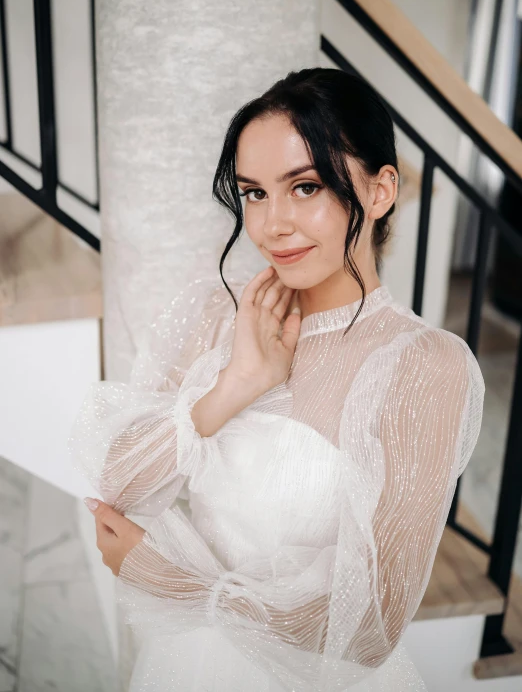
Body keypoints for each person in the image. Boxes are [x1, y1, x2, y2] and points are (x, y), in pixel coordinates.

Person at [68, 68, 485, 691]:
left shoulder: (423, 366)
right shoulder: (219, 312)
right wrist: (235, 384)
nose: (271, 224)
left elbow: (371, 626)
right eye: (255, 193)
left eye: (306, 186)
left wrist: (181, 587)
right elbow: (118, 485)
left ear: (379, 191)